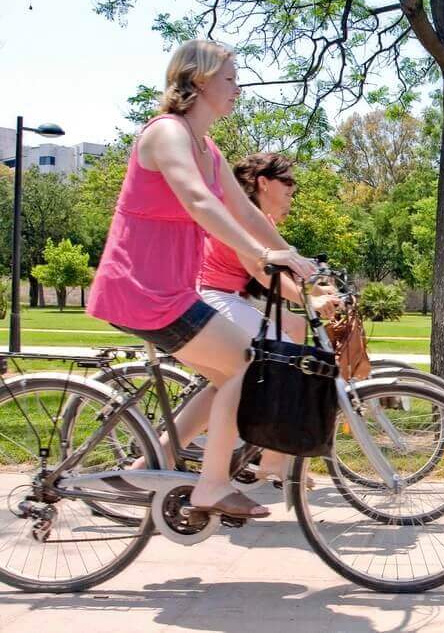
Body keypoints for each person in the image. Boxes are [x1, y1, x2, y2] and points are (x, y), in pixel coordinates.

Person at [88, 39, 315, 519]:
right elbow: (199, 202)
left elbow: (241, 209)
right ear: (200, 79)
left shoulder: (207, 149)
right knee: (250, 364)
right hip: (142, 291)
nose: (239, 88)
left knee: (226, 376)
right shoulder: (166, 134)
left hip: (171, 292)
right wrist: (261, 252)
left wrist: (291, 255)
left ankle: (153, 464)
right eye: (231, 79)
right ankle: (211, 486)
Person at [198, 151, 338, 483]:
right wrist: (312, 298)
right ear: (263, 183)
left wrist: (318, 286)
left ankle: (161, 453)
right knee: (283, 362)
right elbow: (261, 272)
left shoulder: (262, 221)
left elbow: (288, 265)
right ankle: (272, 459)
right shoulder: (243, 216)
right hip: (212, 296)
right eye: (287, 184)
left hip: (227, 298)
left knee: (282, 344)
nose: (292, 191)